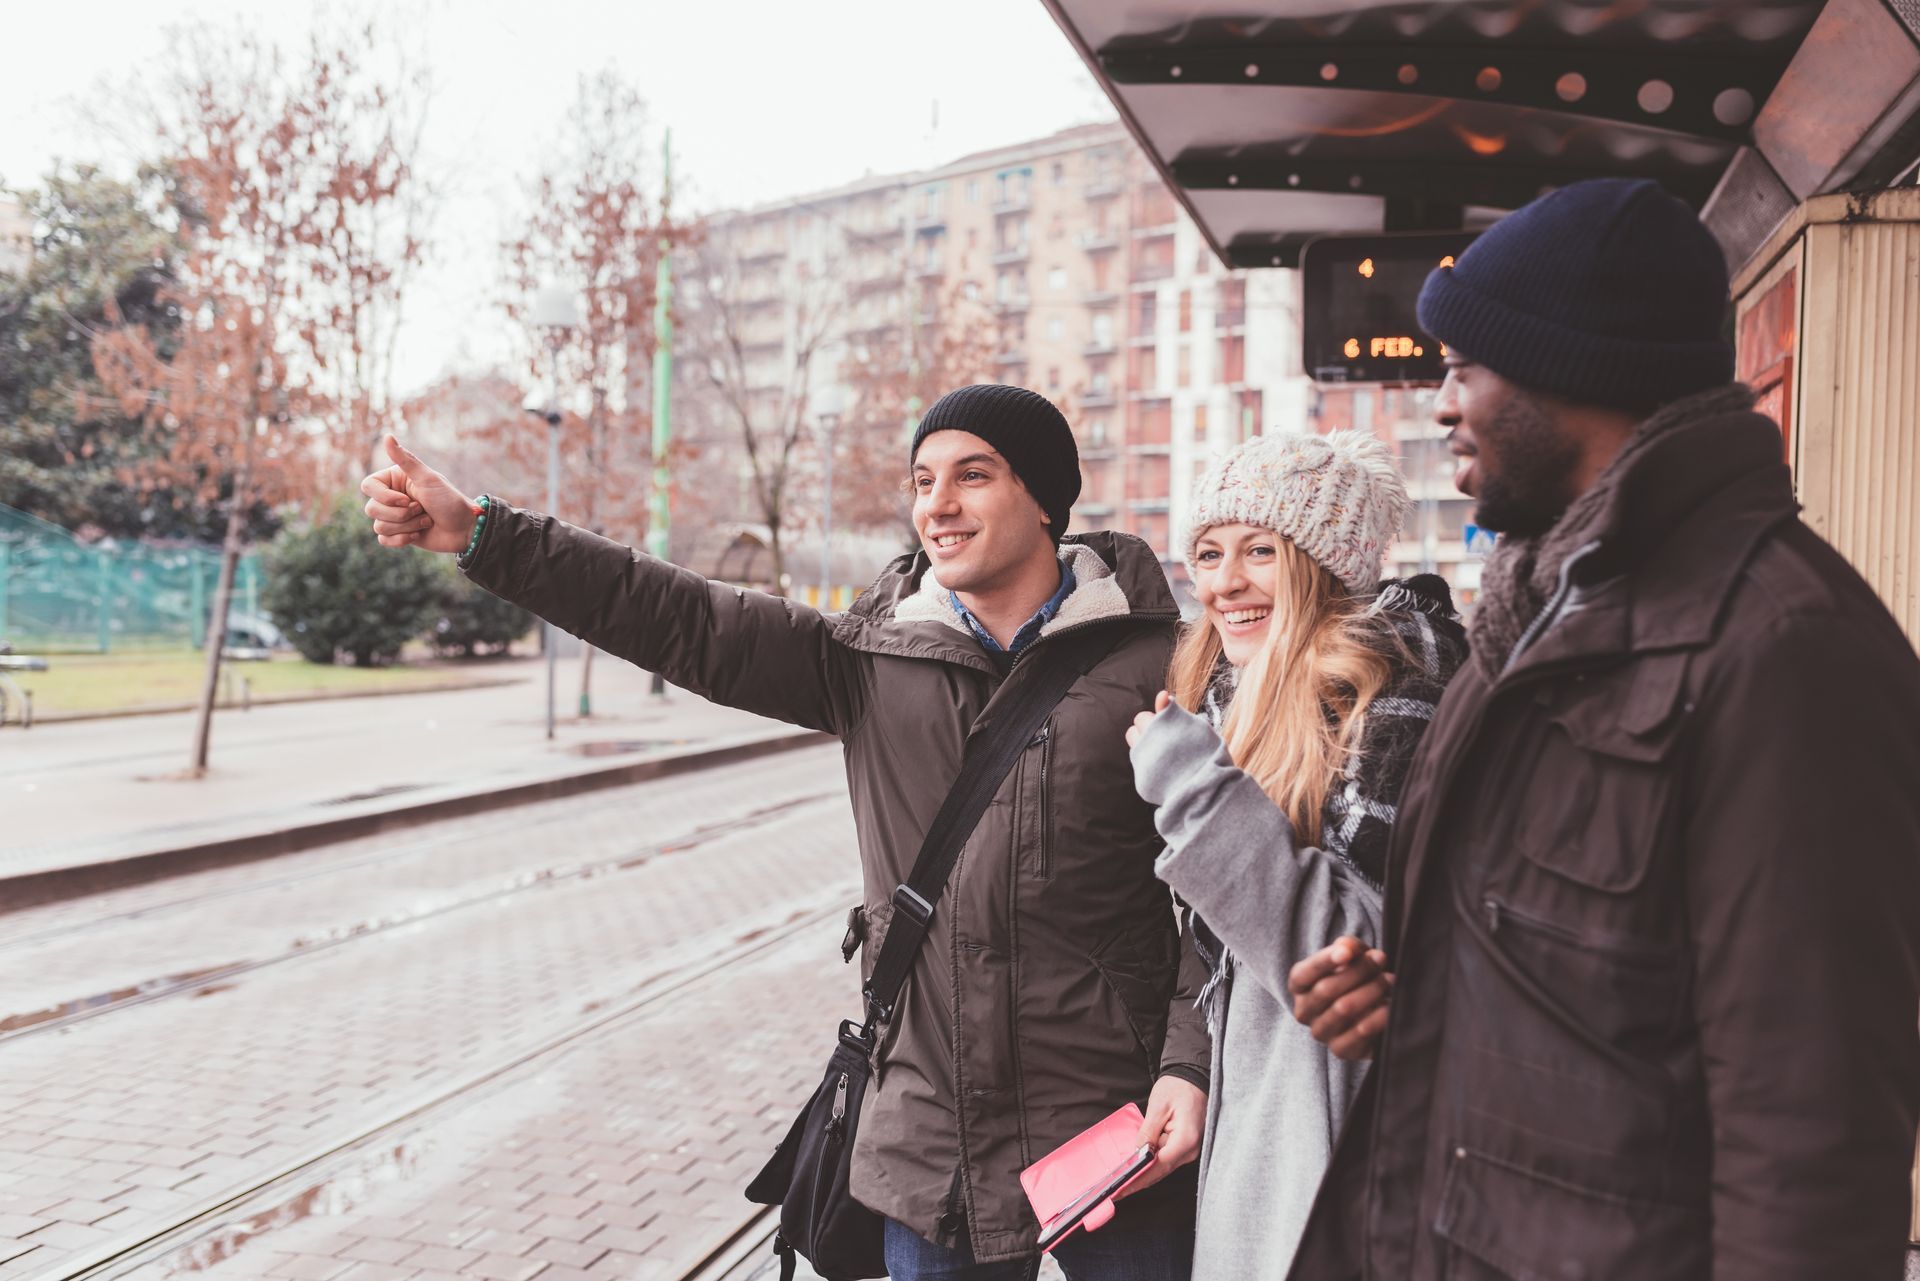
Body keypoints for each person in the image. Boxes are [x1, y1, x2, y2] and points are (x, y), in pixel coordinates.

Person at [360, 383, 1208, 1280]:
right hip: (934, 1141)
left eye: (973, 475)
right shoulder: (865, 661)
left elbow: (1216, 897)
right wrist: (486, 535)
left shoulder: (1165, 664)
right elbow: (676, 614)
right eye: (923, 481)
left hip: (1121, 1126)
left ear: (1044, 498)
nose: (938, 505)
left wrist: (1188, 1066)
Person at [1284, 178, 1920, 1281]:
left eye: (1463, 367)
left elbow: (1809, 1130)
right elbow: (1607, 1004)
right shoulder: (1531, 620)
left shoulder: (1784, 649)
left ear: (1569, 371)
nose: (1441, 406)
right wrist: (1419, 1004)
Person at [1122, 431, 1466, 1277]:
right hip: (1266, 1127)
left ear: (1324, 565)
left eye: (1260, 551)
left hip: (1338, 1145)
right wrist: (1191, 1069)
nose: (1223, 582)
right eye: (1208, 553)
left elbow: (1349, 956)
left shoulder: (1393, 697)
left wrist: (1193, 790)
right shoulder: (1231, 696)